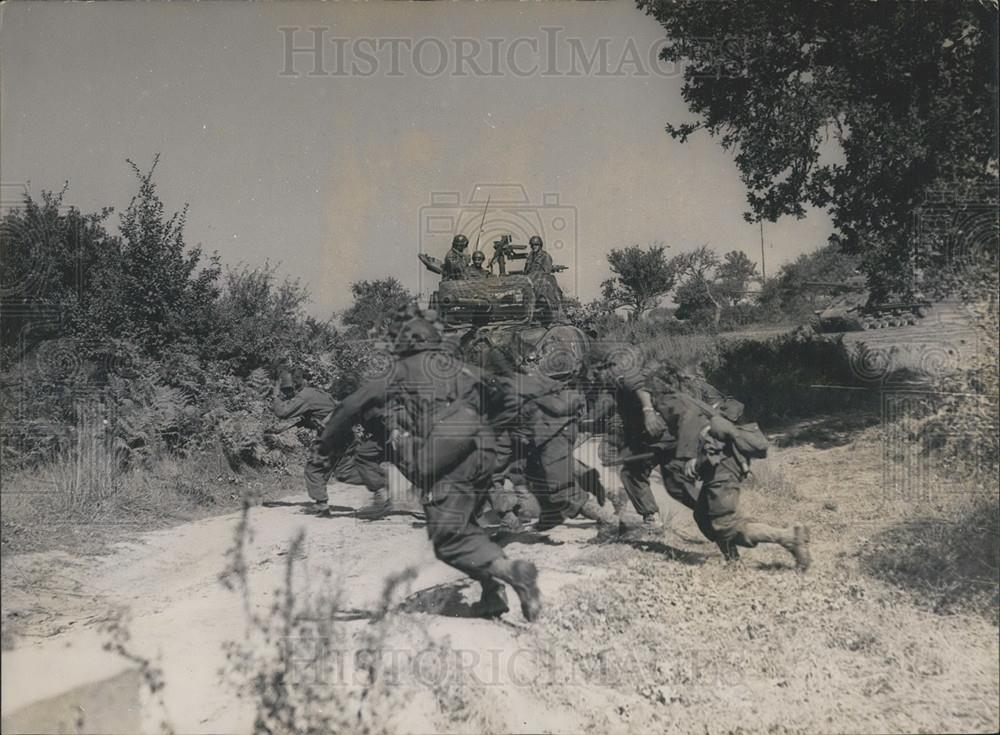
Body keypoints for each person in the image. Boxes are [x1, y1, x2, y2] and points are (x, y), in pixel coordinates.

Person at [317, 318, 542, 621]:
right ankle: (491, 593)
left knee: (449, 542)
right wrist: (488, 429)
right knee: (464, 524)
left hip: (447, 461)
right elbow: (512, 397)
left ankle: (515, 574)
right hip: (481, 455)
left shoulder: (399, 373)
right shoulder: (458, 369)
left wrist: (327, 443)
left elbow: (348, 407)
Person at [598, 348, 811, 569]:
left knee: (723, 524)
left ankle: (788, 537)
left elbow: (686, 418)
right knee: (704, 517)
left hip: (721, 462)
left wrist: (687, 455)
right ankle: (733, 561)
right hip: (713, 461)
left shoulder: (671, 399)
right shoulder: (674, 399)